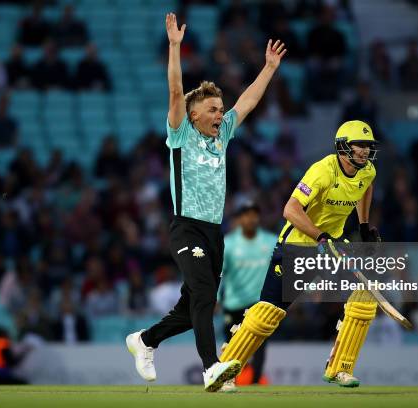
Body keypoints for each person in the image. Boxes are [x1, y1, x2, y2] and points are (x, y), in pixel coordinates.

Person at [126, 13, 286, 393]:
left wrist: (268, 69)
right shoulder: (181, 134)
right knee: (201, 295)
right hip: (186, 227)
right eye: (213, 110)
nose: (220, 114)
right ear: (193, 113)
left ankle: (145, 341)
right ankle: (211, 367)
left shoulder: (223, 136)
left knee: (194, 306)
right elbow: (174, 90)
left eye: (220, 109)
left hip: (214, 233)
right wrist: (176, 47)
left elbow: (246, 102)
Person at [219, 120, 381, 388]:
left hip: (330, 248)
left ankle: (340, 367)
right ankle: (224, 369)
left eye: (369, 146)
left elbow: (366, 186)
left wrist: (363, 225)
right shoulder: (322, 172)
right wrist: (320, 237)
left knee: (364, 296)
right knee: (267, 315)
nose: (365, 151)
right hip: (297, 247)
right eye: (360, 145)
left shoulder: (367, 171)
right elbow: (290, 210)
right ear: (343, 147)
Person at [218, 200, 275, 390]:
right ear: (240, 218)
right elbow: (219, 273)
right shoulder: (229, 243)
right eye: (246, 214)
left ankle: (256, 382)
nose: (250, 218)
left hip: (259, 304)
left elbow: (283, 269)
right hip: (234, 304)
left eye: (254, 214)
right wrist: (216, 298)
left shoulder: (270, 241)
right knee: (232, 345)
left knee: (259, 345)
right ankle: (228, 379)